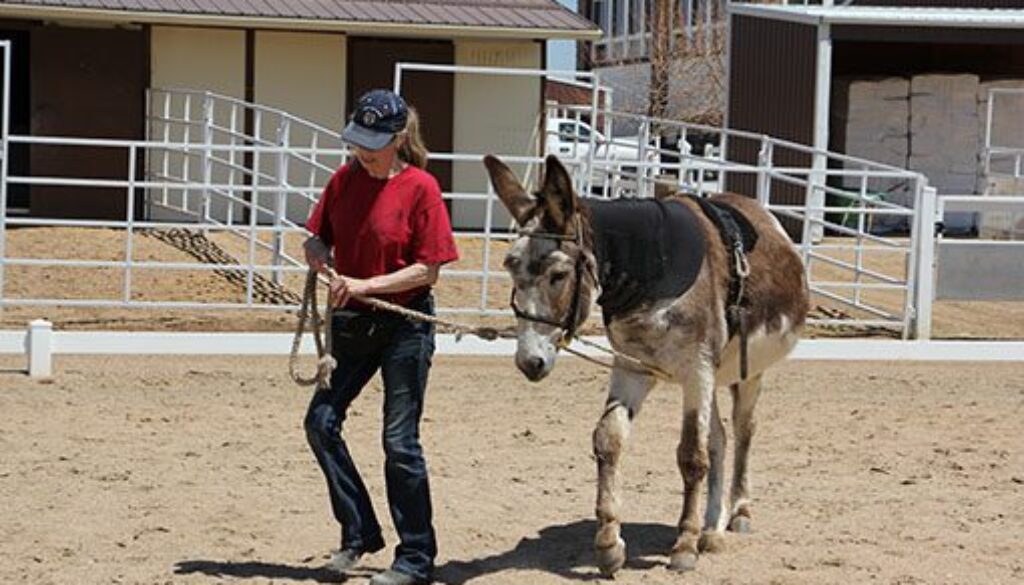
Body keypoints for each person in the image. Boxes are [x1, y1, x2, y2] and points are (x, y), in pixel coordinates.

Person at [302, 88, 459, 585]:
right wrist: (317, 254)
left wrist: (367, 285)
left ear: (398, 138)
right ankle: (359, 531)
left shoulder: (421, 189)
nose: (362, 152)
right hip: (353, 323)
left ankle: (415, 557)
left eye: (372, 143)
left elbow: (428, 270)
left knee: (399, 441)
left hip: (404, 327)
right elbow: (317, 234)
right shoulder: (343, 181)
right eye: (357, 142)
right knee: (320, 422)